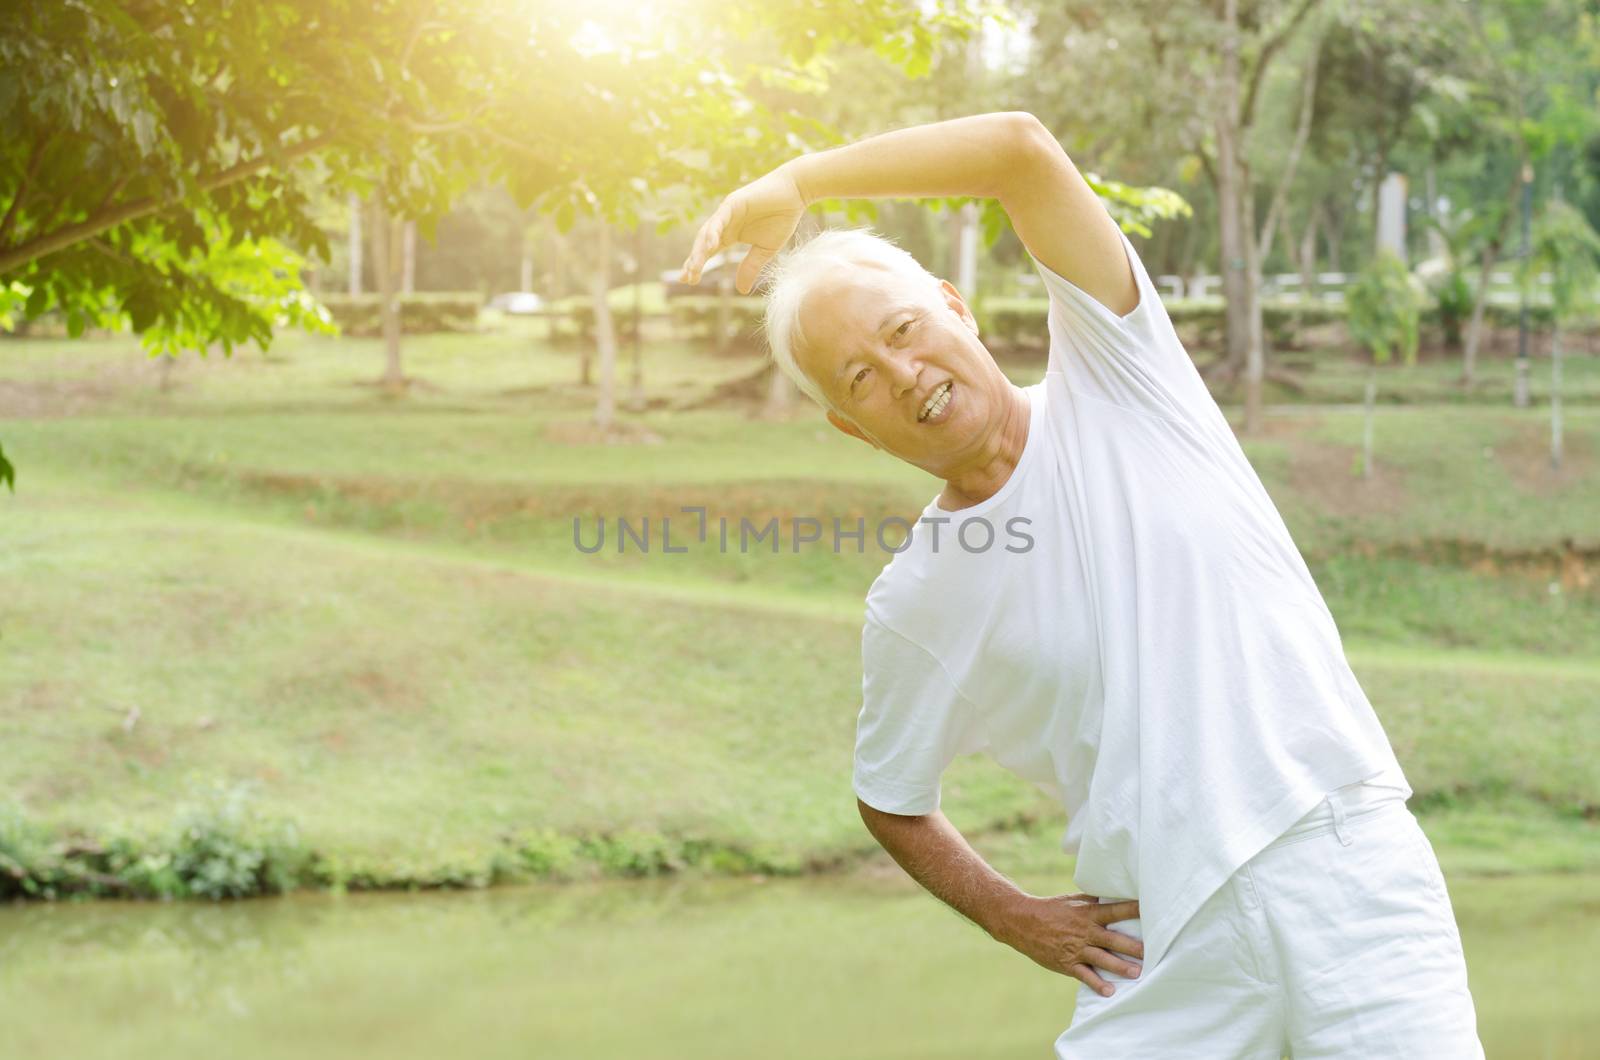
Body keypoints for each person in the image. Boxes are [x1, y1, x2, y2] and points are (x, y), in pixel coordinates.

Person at [678, 111, 1483, 1058]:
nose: (903, 373)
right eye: (858, 378)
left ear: (955, 305)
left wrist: (798, 181)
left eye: (904, 329)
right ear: (852, 428)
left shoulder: (1123, 374)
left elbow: (1018, 150)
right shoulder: (916, 600)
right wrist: (1018, 917)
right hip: (1158, 948)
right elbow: (891, 798)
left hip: (1341, 873)